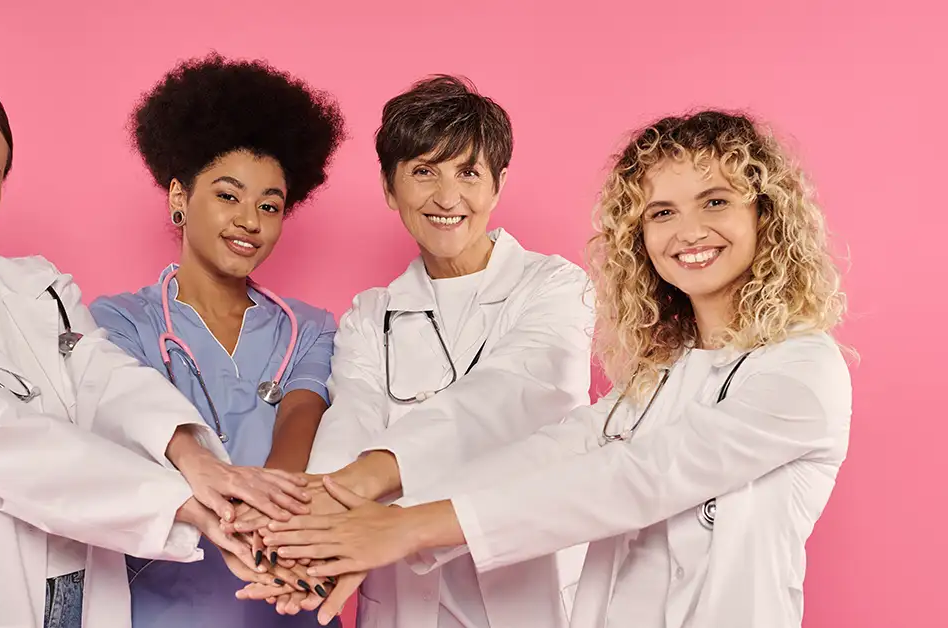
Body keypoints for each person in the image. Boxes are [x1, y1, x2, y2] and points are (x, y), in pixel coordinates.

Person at [261, 110, 853, 628]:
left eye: (716, 201)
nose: (688, 231)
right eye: (662, 212)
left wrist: (407, 528)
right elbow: (556, 450)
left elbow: (635, 477)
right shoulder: (656, 379)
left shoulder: (802, 370)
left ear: (766, 215)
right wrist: (342, 520)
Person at [0, 78, 312, 628]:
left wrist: (196, 460)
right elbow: (12, 446)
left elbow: (103, 380)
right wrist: (194, 506)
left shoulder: (41, 288)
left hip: (86, 595)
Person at [236, 75, 596, 627]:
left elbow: (507, 398)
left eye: (468, 173)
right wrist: (312, 540)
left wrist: (350, 491)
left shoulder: (556, 287)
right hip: (404, 601)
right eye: (424, 171)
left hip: (527, 590)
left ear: (497, 186)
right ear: (389, 187)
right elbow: (353, 416)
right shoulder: (369, 314)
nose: (447, 197)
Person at [87, 53, 347, 627]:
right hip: (164, 607)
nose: (250, 221)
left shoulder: (310, 329)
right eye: (228, 195)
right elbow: (126, 436)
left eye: (270, 205)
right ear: (180, 197)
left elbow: (298, 426)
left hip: (284, 599)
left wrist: (267, 515)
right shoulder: (118, 324)